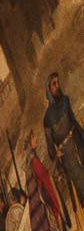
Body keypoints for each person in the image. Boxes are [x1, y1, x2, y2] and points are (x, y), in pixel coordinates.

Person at [44, 73, 84, 215]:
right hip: (68, 156)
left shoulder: (66, 101)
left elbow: (74, 121)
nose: (57, 86)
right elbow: (50, 147)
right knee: (80, 184)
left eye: (58, 83)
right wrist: (57, 157)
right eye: (54, 84)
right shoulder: (47, 120)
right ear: (49, 89)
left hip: (79, 144)